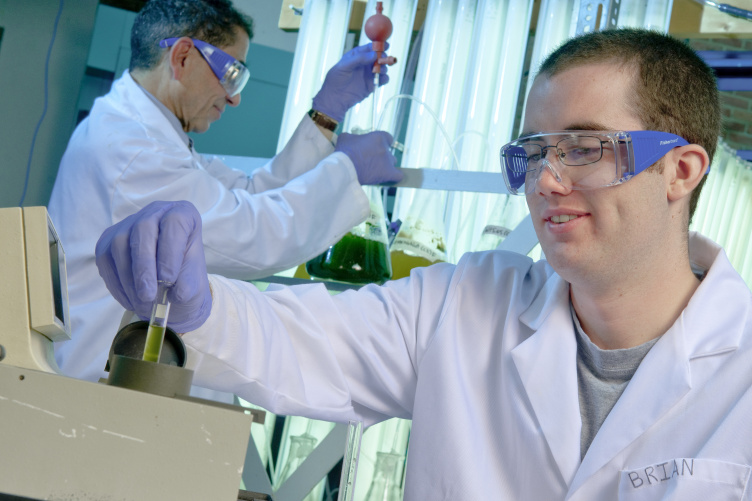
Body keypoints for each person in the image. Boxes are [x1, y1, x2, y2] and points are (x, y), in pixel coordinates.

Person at [94, 28, 752, 499]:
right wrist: (194, 302)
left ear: (680, 170)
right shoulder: (468, 302)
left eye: (583, 148)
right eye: (532, 152)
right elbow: (303, 337)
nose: (546, 181)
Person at [49, 0, 403, 382]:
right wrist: (347, 170)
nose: (234, 97)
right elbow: (252, 237)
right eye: (232, 73)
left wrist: (325, 114)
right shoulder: (133, 151)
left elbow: (249, 195)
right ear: (183, 57)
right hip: (100, 384)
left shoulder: (149, 134)